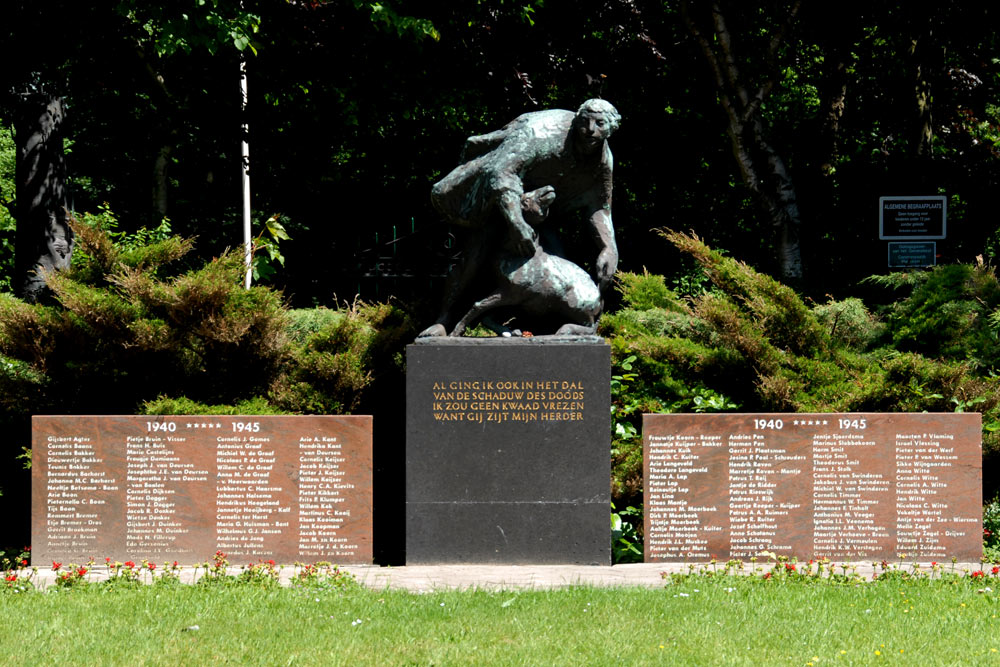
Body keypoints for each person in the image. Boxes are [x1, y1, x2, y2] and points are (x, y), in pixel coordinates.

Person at [419, 99, 621, 337]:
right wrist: (515, 223)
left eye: (600, 124)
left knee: (554, 270)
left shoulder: (602, 161)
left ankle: (540, 330)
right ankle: (445, 320)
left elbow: (600, 206)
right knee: (476, 253)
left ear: (612, 128)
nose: (591, 130)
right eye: (585, 122)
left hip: (540, 211)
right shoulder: (541, 132)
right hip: (500, 199)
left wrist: (609, 247)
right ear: (576, 121)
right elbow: (501, 173)